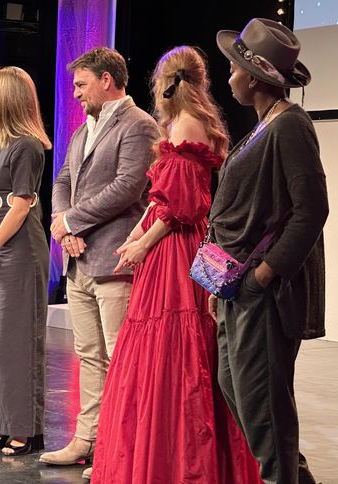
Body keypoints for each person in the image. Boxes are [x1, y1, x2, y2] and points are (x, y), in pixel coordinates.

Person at [89, 46, 261, 483]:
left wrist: (144, 242)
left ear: (163, 81)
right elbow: (163, 200)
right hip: (169, 246)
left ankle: (175, 463)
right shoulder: (187, 123)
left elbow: (181, 207)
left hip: (177, 251)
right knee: (165, 351)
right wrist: (138, 232)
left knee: (177, 356)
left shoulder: (188, 124)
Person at [210, 18, 328, 484]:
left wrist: (265, 273)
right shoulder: (265, 127)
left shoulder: (290, 127)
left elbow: (311, 210)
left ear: (255, 77)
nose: (229, 75)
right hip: (234, 286)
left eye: (235, 67)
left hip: (262, 291)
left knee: (264, 405)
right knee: (234, 386)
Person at [41, 47, 158, 466]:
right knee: (88, 357)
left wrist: (72, 221)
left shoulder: (140, 126)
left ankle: (119, 450)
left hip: (113, 259)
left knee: (119, 359)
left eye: (80, 84)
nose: (75, 93)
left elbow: (129, 187)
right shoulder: (81, 130)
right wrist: (61, 222)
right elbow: (64, 178)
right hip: (79, 260)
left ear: (107, 80)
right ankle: (87, 440)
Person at [0, 66, 50, 456]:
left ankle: (26, 429)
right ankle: (1, 424)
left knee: (19, 341)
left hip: (20, 251)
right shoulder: (1, 145)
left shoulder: (28, 146)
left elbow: (19, 206)